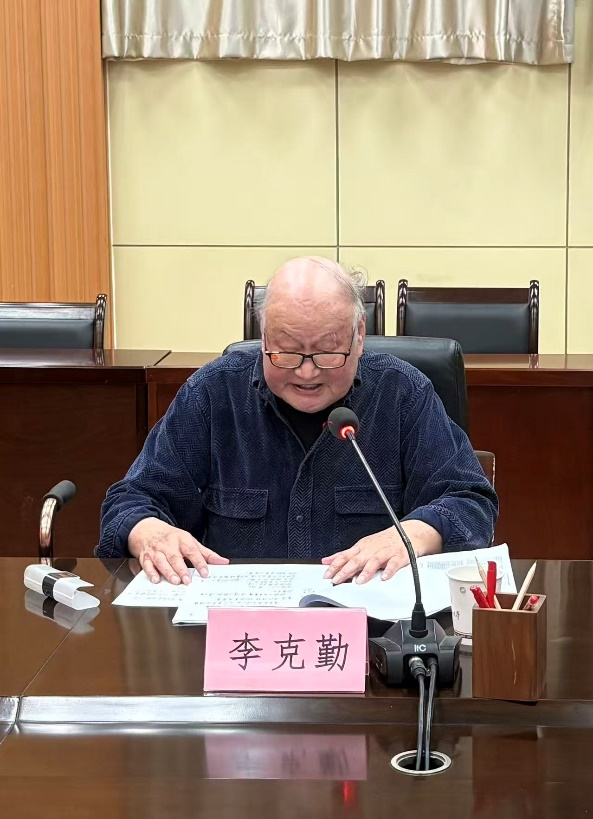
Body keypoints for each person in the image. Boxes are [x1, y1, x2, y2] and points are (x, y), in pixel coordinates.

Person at [97, 257, 498, 586]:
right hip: (238, 632)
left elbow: (470, 502)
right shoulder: (213, 395)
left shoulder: (402, 393)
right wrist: (149, 532)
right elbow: (130, 500)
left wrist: (413, 535)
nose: (307, 373)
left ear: (359, 335)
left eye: (327, 352)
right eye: (287, 351)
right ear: (264, 336)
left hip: (373, 635)